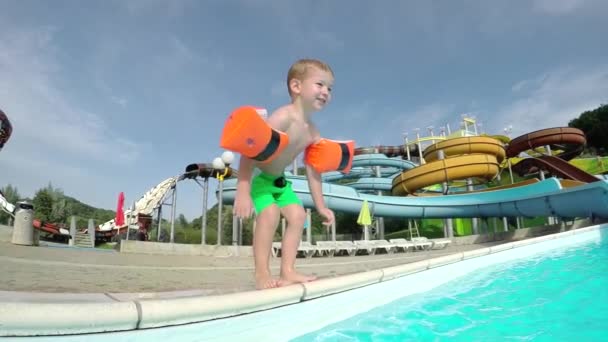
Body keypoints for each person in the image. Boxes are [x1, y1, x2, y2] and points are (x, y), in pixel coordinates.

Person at [233, 58, 336, 290]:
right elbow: (251, 150)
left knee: (299, 216)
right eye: (320, 84)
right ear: (296, 86)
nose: (326, 92)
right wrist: (243, 189)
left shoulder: (313, 131)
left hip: (281, 184)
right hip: (261, 181)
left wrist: (321, 206)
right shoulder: (282, 117)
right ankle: (262, 274)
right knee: (269, 215)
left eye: (329, 88)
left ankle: (287, 271)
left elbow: (313, 170)